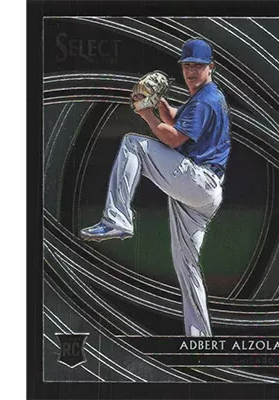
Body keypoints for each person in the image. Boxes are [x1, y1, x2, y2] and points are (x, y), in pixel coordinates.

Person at [80, 38, 231, 337]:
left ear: (211, 67)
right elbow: (176, 121)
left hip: (198, 180)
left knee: (133, 144)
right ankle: (200, 339)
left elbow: (173, 139)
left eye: (198, 66)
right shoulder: (204, 97)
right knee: (187, 266)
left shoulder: (207, 99)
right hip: (200, 191)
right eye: (187, 65)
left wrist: (146, 113)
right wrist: (159, 103)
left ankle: (118, 219)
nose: (191, 71)